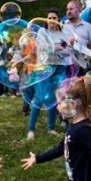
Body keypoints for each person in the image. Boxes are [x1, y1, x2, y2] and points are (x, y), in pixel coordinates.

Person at [26, 9, 70, 140]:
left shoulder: (63, 33)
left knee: (53, 99)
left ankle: (51, 128)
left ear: (58, 20)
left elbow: (68, 51)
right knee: (40, 98)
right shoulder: (42, 32)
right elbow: (40, 48)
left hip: (59, 68)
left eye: (54, 17)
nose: (51, 20)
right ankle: (31, 129)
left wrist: (62, 49)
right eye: (49, 17)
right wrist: (54, 48)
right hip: (44, 68)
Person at [63, 0, 91, 75]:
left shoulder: (87, 26)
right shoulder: (62, 26)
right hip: (67, 65)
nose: (68, 11)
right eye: (67, 9)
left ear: (79, 10)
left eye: (71, 9)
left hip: (83, 65)